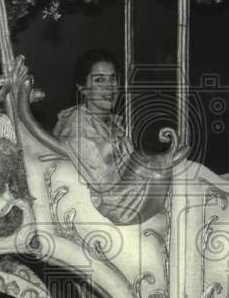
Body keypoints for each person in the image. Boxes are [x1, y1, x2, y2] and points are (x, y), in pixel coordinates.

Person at [53, 49, 185, 225]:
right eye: (99, 80)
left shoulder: (112, 124)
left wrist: (159, 161)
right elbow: (110, 194)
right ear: (82, 87)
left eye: (113, 79)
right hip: (103, 215)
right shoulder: (78, 126)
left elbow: (127, 170)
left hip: (127, 199)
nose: (110, 87)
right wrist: (160, 163)